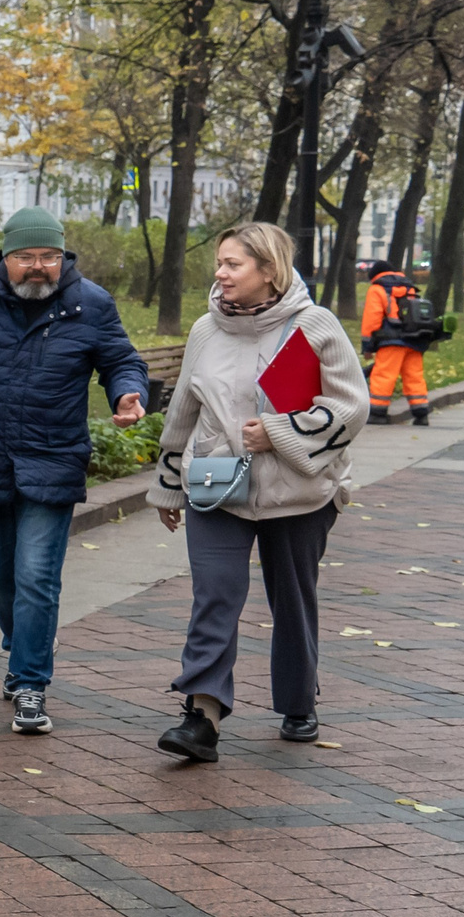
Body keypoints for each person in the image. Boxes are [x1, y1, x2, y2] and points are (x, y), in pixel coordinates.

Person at [0, 207, 148, 736]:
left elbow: (122, 362)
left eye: (49, 257)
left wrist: (129, 393)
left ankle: (30, 684)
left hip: (54, 455)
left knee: (36, 577)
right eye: (26, 258)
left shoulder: (93, 304)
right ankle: (26, 642)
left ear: (63, 258)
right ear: (6, 258)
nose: (38, 267)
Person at [150, 221, 368, 759]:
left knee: (291, 599)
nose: (220, 274)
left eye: (233, 264)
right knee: (214, 596)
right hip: (216, 486)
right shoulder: (206, 330)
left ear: (268, 272)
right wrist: (168, 488)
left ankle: (298, 702)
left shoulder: (315, 327)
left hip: (299, 492)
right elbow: (183, 409)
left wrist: (276, 433)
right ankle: (201, 716)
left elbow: (351, 407)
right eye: (220, 263)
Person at [360, 264, 441, 425]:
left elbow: (372, 319)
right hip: (414, 339)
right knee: (414, 376)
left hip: (391, 341)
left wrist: (367, 347)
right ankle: (421, 413)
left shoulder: (377, 289)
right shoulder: (409, 287)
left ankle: (378, 413)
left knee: (383, 375)